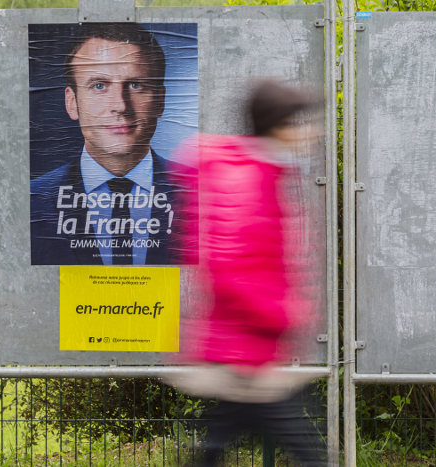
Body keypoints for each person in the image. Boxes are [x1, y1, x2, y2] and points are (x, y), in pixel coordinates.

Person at [164, 80, 325, 466]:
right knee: (305, 450)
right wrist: (282, 313)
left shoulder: (266, 172)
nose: (312, 132)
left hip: (251, 344)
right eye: (302, 122)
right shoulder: (247, 180)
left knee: (218, 444)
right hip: (247, 343)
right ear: (278, 125)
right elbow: (230, 266)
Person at [30, 23, 189, 265]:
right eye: (99, 86)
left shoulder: (197, 193)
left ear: (160, 101)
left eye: (136, 85)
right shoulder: (33, 200)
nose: (121, 105)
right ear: (72, 102)